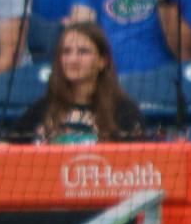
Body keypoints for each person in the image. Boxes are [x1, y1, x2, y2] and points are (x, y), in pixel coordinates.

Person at [15, 19, 145, 144]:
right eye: (66, 52)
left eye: (83, 52)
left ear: (102, 61)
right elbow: (6, 149)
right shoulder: (41, 110)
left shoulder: (125, 112)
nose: (73, 60)